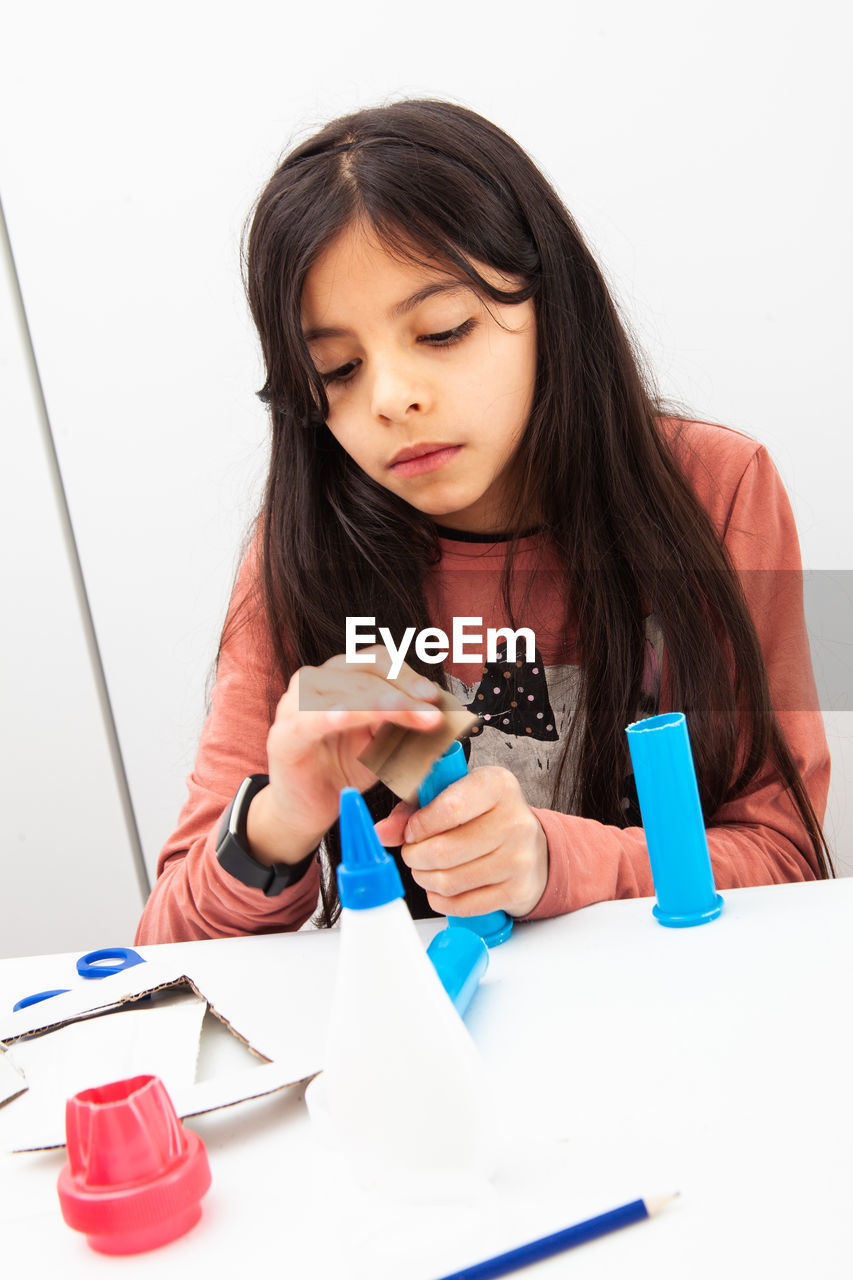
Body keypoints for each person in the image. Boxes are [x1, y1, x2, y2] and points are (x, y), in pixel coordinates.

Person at [135, 99, 831, 945]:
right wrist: (283, 818)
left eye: (442, 330)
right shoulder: (303, 549)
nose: (391, 399)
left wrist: (549, 860)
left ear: (549, 304)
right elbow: (161, 949)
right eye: (339, 369)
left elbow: (785, 856)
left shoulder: (718, 491)